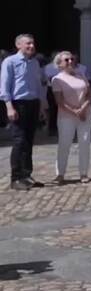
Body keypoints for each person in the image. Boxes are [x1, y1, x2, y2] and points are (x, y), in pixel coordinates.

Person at [1, 34, 46, 190]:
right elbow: (5, 86)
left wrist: (41, 106)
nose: (31, 46)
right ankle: (16, 178)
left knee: (29, 140)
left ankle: (27, 175)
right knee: (19, 141)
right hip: (18, 104)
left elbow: (38, 85)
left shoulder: (35, 63)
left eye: (33, 43)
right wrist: (9, 107)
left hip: (33, 103)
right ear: (18, 45)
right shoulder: (10, 62)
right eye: (28, 43)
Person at [50, 51, 91, 184]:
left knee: (84, 143)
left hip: (85, 114)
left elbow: (89, 94)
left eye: (72, 59)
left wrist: (83, 108)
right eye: (66, 60)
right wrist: (75, 112)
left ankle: (84, 172)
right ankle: (60, 173)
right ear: (59, 64)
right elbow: (59, 101)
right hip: (66, 116)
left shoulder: (81, 76)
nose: (70, 62)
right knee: (64, 143)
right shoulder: (57, 79)